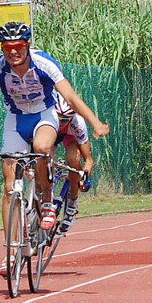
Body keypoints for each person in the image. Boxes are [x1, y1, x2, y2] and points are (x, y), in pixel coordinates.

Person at [0, 21, 110, 277]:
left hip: (44, 116)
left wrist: (95, 123)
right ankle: (11, 251)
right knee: (8, 187)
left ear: (27, 46)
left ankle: (46, 199)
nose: (13, 52)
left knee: (42, 146)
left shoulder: (43, 63)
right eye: (7, 47)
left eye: (18, 46)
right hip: (15, 121)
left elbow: (70, 97)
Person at [53, 92, 94, 233]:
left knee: (73, 159)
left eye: (66, 119)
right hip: (50, 134)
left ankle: (72, 204)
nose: (63, 123)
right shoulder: (48, 116)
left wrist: (85, 176)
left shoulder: (78, 123)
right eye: (60, 119)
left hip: (70, 137)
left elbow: (88, 159)